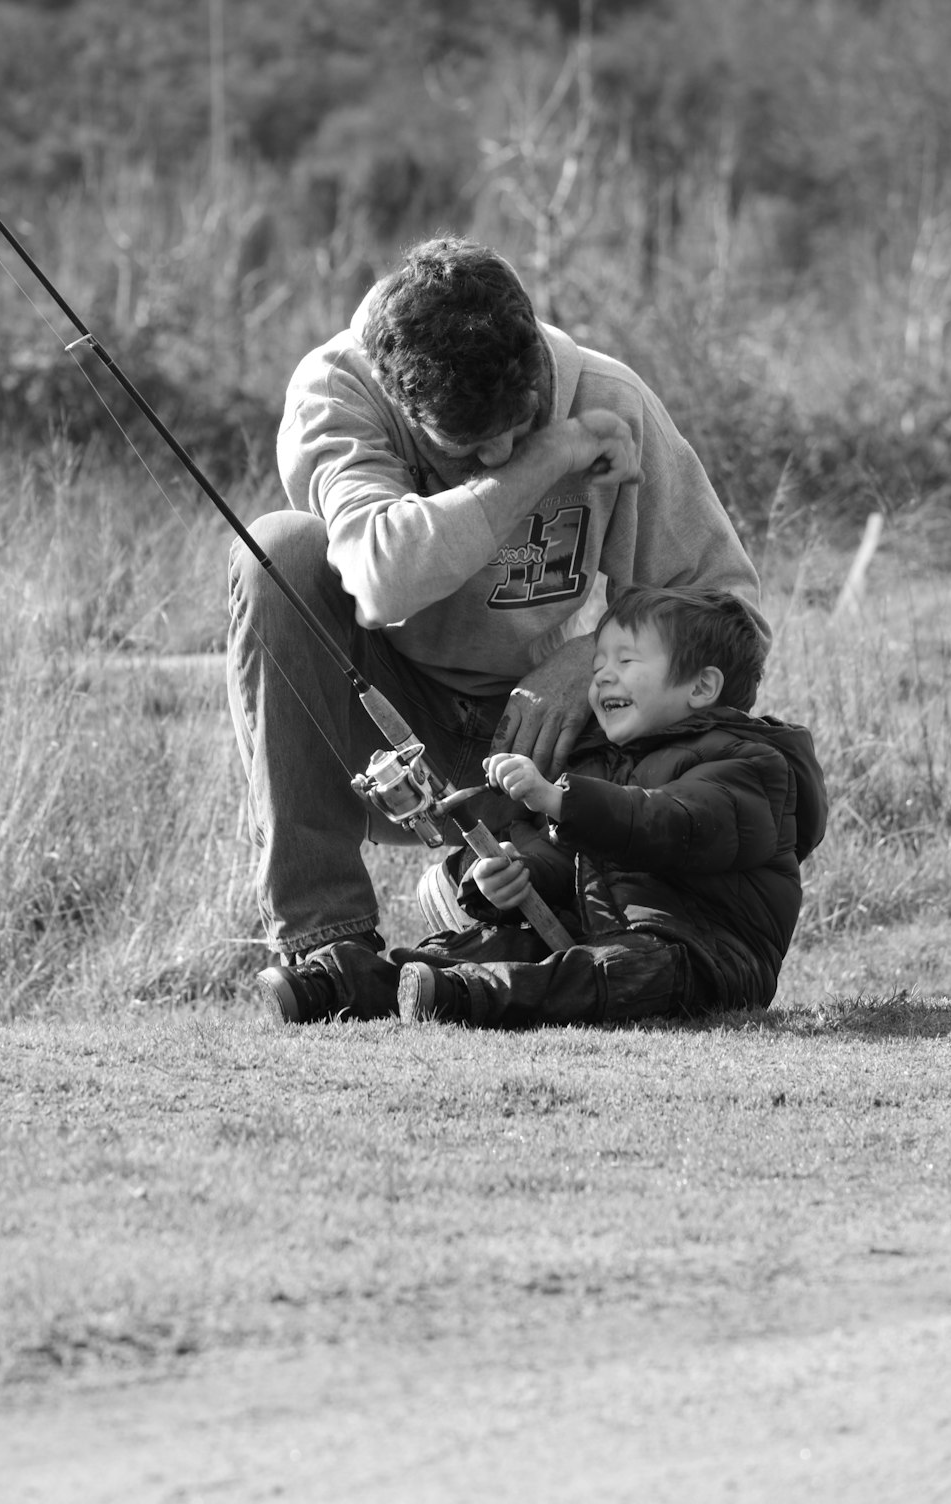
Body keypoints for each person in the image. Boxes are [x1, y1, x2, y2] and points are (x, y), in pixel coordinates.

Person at [227, 236, 770, 1015]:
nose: (504, 451)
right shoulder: (339, 394)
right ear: (402, 405)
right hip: (379, 738)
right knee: (276, 551)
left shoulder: (611, 397)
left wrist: (590, 660)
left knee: (676, 685)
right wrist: (555, 454)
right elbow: (383, 582)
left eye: (523, 425)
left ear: (539, 365)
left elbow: (734, 618)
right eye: (470, 450)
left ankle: (528, 925)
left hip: (542, 747)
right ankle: (328, 948)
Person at [391, 585, 828, 1028]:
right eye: (598, 663)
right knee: (482, 946)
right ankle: (342, 982)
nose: (600, 677)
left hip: (703, 957)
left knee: (617, 969)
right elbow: (568, 859)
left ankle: (462, 997)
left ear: (701, 685)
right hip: (601, 939)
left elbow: (667, 823)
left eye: (625, 661)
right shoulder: (606, 763)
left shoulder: (753, 765)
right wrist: (516, 875)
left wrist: (560, 800)